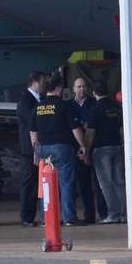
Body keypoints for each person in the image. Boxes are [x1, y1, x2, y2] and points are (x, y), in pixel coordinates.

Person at [30, 75, 87, 225]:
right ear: (58, 89)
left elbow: (33, 132)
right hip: (62, 148)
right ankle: (69, 218)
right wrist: (83, 145)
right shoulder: (63, 106)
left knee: (46, 184)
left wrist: (36, 151)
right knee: (66, 183)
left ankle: (46, 218)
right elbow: (75, 129)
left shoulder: (38, 107)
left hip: (43, 149)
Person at [86, 81, 126, 223]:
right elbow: (122, 129)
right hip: (117, 146)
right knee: (119, 182)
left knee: (106, 184)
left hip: (102, 150)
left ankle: (113, 214)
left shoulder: (95, 108)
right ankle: (124, 214)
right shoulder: (116, 106)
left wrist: (86, 150)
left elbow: (90, 132)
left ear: (94, 93)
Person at [16, 71, 46, 227]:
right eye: (42, 82)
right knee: (29, 183)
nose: (43, 85)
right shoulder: (25, 101)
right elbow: (32, 121)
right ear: (34, 82)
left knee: (37, 183)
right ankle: (26, 217)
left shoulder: (39, 99)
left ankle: (33, 215)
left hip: (37, 146)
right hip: (29, 149)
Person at [69, 77, 99, 223]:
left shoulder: (93, 104)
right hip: (74, 150)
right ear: (73, 89)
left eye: (84, 86)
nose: (81, 89)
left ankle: (96, 214)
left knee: (93, 184)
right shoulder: (68, 106)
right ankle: (78, 215)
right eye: (79, 87)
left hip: (92, 147)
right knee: (76, 185)